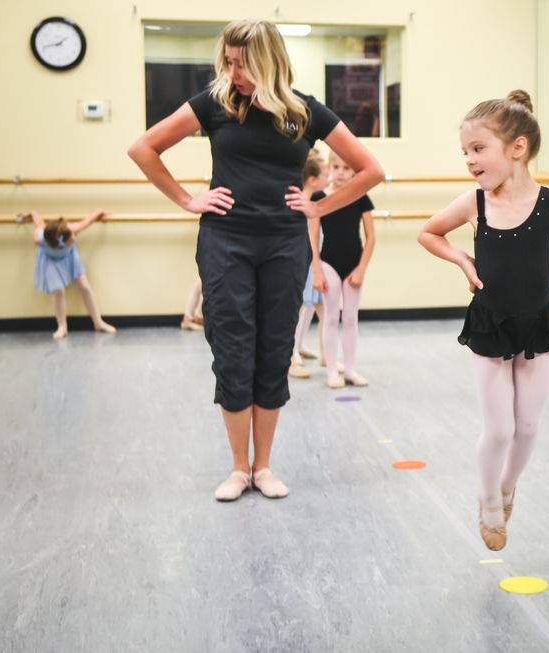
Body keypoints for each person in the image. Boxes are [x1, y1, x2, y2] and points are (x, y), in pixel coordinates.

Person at [128, 18, 383, 501]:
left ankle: (263, 467)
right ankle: (238, 467)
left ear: (268, 61)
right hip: (225, 242)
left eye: (241, 63)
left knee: (272, 351)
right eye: (227, 60)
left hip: (284, 245)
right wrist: (187, 200)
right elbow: (143, 148)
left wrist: (319, 206)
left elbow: (371, 169)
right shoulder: (216, 104)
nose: (232, 70)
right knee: (233, 349)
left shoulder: (305, 111)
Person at [417, 90, 549, 550]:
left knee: (528, 426)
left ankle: (508, 485)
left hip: (537, 321)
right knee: (500, 428)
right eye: (465, 152)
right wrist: (463, 262)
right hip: (491, 322)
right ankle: (488, 498)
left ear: (518, 148)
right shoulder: (475, 203)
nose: (470, 161)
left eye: (478, 149)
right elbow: (428, 232)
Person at [314, 152, 376, 388]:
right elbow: (311, 237)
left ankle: (349, 369)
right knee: (331, 316)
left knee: (350, 317)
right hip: (328, 262)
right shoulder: (320, 197)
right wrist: (317, 270)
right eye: (336, 167)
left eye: (346, 168)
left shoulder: (361, 198)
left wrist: (361, 269)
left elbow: (371, 238)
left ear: (354, 172)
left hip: (353, 264)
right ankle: (332, 370)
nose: (340, 172)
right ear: (329, 168)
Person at [26, 209, 116, 339]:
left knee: (85, 287)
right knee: (59, 291)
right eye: (71, 238)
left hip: (70, 258)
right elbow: (38, 223)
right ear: (59, 242)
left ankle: (98, 322)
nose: (74, 237)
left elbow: (88, 220)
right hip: (51, 261)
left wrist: (99, 212)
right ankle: (62, 327)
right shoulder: (39, 238)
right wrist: (31, 215)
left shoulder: (71, 229)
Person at [289, 152, 330, 379]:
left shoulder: (314, 202)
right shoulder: (302, 204)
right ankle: (292, 355)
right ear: (312, 179)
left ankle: (325, 354)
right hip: (304, 264)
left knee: (318, 308)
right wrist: (315, 267)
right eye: (326, 174)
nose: (330, 178)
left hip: (315, 263)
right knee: (301, 309)